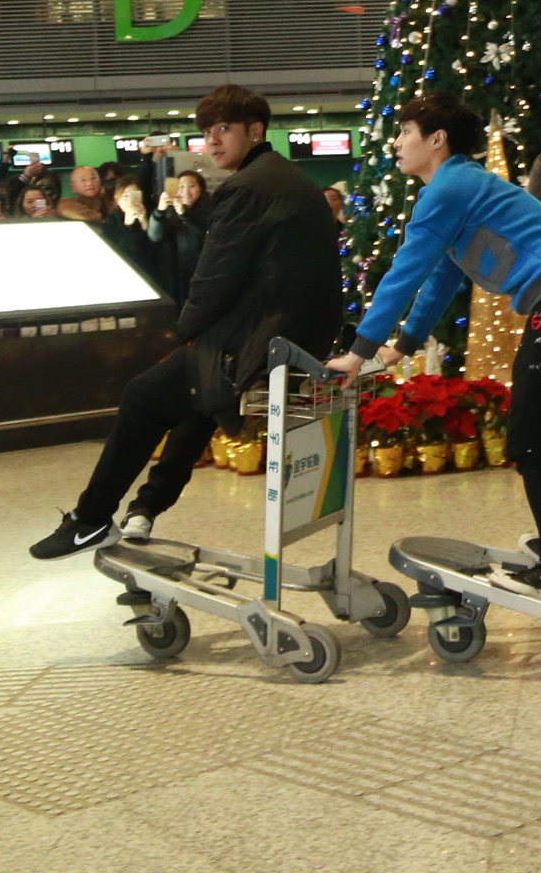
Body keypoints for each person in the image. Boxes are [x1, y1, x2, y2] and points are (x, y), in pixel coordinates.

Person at [28, 86, 339, 558]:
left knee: (144, 396)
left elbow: (216, 275)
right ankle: (146, 507)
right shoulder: (287, 177)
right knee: (193, 394)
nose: (212, 141)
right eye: (206, 132)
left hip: (260, 341)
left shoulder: (247, 186)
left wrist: (186, 331)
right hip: (289, 338)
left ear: (255, 130)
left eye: (224, 129)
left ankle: (90, 521)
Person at [328, 94, 541, 594]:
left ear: (436, 140)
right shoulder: (459, 186)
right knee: (534, 433)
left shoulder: (448, 187)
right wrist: (403, 343)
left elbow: (403, 273)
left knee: (527, 435)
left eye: (406, 132)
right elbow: (438, 278)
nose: (396, 142)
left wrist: (358, 350)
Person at [148, 170, 210, 301]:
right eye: (181, 186)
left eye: (192, 186)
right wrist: (159, 211)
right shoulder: (169, 211)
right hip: (174, 274)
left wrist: (183, 215)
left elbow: (203, 235)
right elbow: (154, 236)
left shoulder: (211, 208)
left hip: (202, 272)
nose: (186, 191)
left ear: (201, 188)